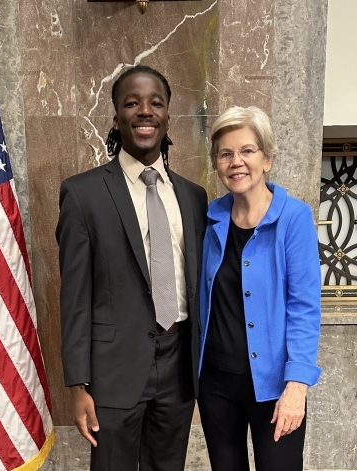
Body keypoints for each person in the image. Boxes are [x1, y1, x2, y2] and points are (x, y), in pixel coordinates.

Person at [56, 65, 208, 471]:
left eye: (155, 103)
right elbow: (74, 297)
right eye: (132, 103)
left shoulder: (193, 197)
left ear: (168, 116)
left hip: (178, 369)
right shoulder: (83, 193)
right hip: (112, 372)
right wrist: (77, 385)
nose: (145, 111)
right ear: (117, 117)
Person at [198, 106, 322, 471]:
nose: (236, 162)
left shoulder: (293, 218)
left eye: (247, 151)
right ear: (217, 164)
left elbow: (304, 307)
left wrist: (297, 387)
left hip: (275, 388)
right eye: (225, 153)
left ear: (267, 159)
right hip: (216, 385)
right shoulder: (209, 218)